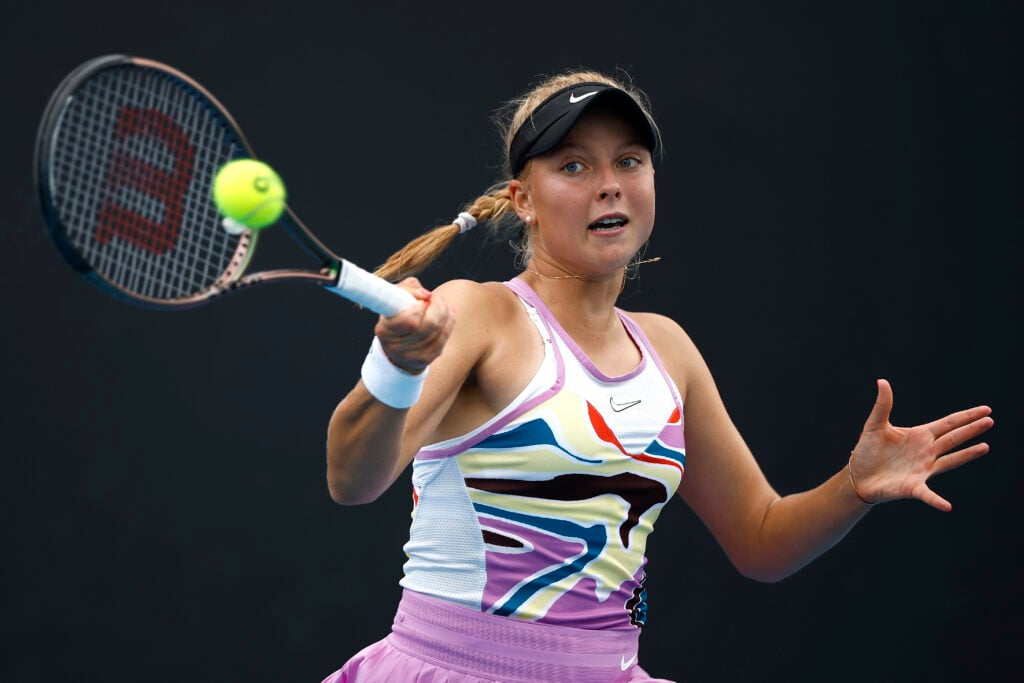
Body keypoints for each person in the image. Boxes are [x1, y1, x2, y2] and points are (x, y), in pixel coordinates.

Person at [319, 68, 994, 683]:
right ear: (522, 199)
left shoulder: (668, 349)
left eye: (628, 161)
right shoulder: (478, 312)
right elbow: (352, 478)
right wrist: (398, 366)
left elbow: (761, 536)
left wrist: (853, 487)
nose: (608, 182)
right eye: (575, 164)